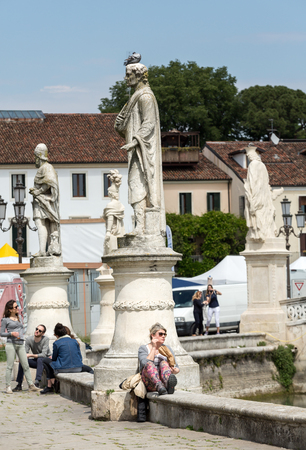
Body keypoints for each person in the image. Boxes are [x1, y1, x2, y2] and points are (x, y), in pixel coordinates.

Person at [115, 58, 166, 236]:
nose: (126, 78)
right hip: (136, 148)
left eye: (128, 75)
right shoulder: (136, 98)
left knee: (137, 183)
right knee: (135, 183)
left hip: (142, 149)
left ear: (138, 76)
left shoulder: (145, 97)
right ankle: (139, 224)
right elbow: (123, 124)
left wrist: (135, 140)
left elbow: (149, 123)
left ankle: (141, 226)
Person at [0, 300, 40, 394]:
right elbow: (1, 333)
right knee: (9, 366)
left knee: (25, 365)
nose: (18, 308)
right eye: (15, 307)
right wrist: (11, 333)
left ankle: (31, 385)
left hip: (20, 343)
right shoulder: (5, 320)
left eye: (17, 306)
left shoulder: (19, 318)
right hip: (11, 344)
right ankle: (8, 387)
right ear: (10, 309)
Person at [29, 143, 61, 257]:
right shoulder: (45, 168)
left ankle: (43, 250)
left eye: (35, 157)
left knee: (40, 223)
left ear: (39, 156)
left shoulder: (46, 167)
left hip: (45, 200)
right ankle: (48, 249)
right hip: (42, 200)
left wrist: (38, 191)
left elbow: (50, 182)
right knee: (44, 224)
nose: (34, 160)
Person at [40, 323, 83, 394]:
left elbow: (54, 359)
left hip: (63, 369)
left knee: (45, 360)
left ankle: (52, 384)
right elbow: (80, 357)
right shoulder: (75, 341)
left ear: (56, 335)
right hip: (78, 368)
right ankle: (51, 385)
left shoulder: (56, 343)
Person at [138, 323, 179, 396]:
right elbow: (144, 363)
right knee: (149, 363)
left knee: (164, 362)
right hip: (149, 382)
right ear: (152, 335)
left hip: (163, 381)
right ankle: (159, 385)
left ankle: (167, 385)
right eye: (160, 334)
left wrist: (175, 370)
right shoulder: (143, 348)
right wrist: (154, 347)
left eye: (164, 334)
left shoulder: (167, 348)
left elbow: (177, 367)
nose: (163, 336)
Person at [13, 323, 51, 391]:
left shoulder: (45, 339)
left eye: (40, 331)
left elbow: (44, 354)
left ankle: (37, 382)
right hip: (37, 361)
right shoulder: (29, 339)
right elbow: (25, 352)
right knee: (23, 361)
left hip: (45, 361)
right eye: (36, 329)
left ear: (43, 333)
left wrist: (30, 355)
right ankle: (19, 384)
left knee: (40, 358)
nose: (37, 331)